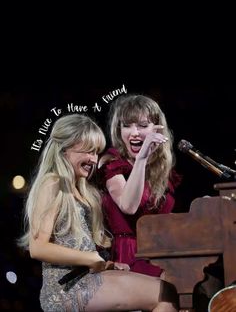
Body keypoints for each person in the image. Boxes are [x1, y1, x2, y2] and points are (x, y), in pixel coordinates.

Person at [18, 113, 178, 312]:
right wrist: (90, 258)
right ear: (64, 149)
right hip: (66, 289)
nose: (93, 159)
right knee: (166, 294)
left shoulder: (82, 190)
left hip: (87, 278)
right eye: (88, 151)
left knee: (169, 289)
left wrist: (107, 264)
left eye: (96, 153)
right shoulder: (52, 182)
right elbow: (38, 248)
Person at [98, 94, 182, 277]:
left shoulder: (160, 170)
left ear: (158, 130)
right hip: (128, 257)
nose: (134, 132)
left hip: (159, 253)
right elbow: (128, 206)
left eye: (142, 126)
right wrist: (141, 158)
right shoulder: (112, 162)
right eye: (126, 125)